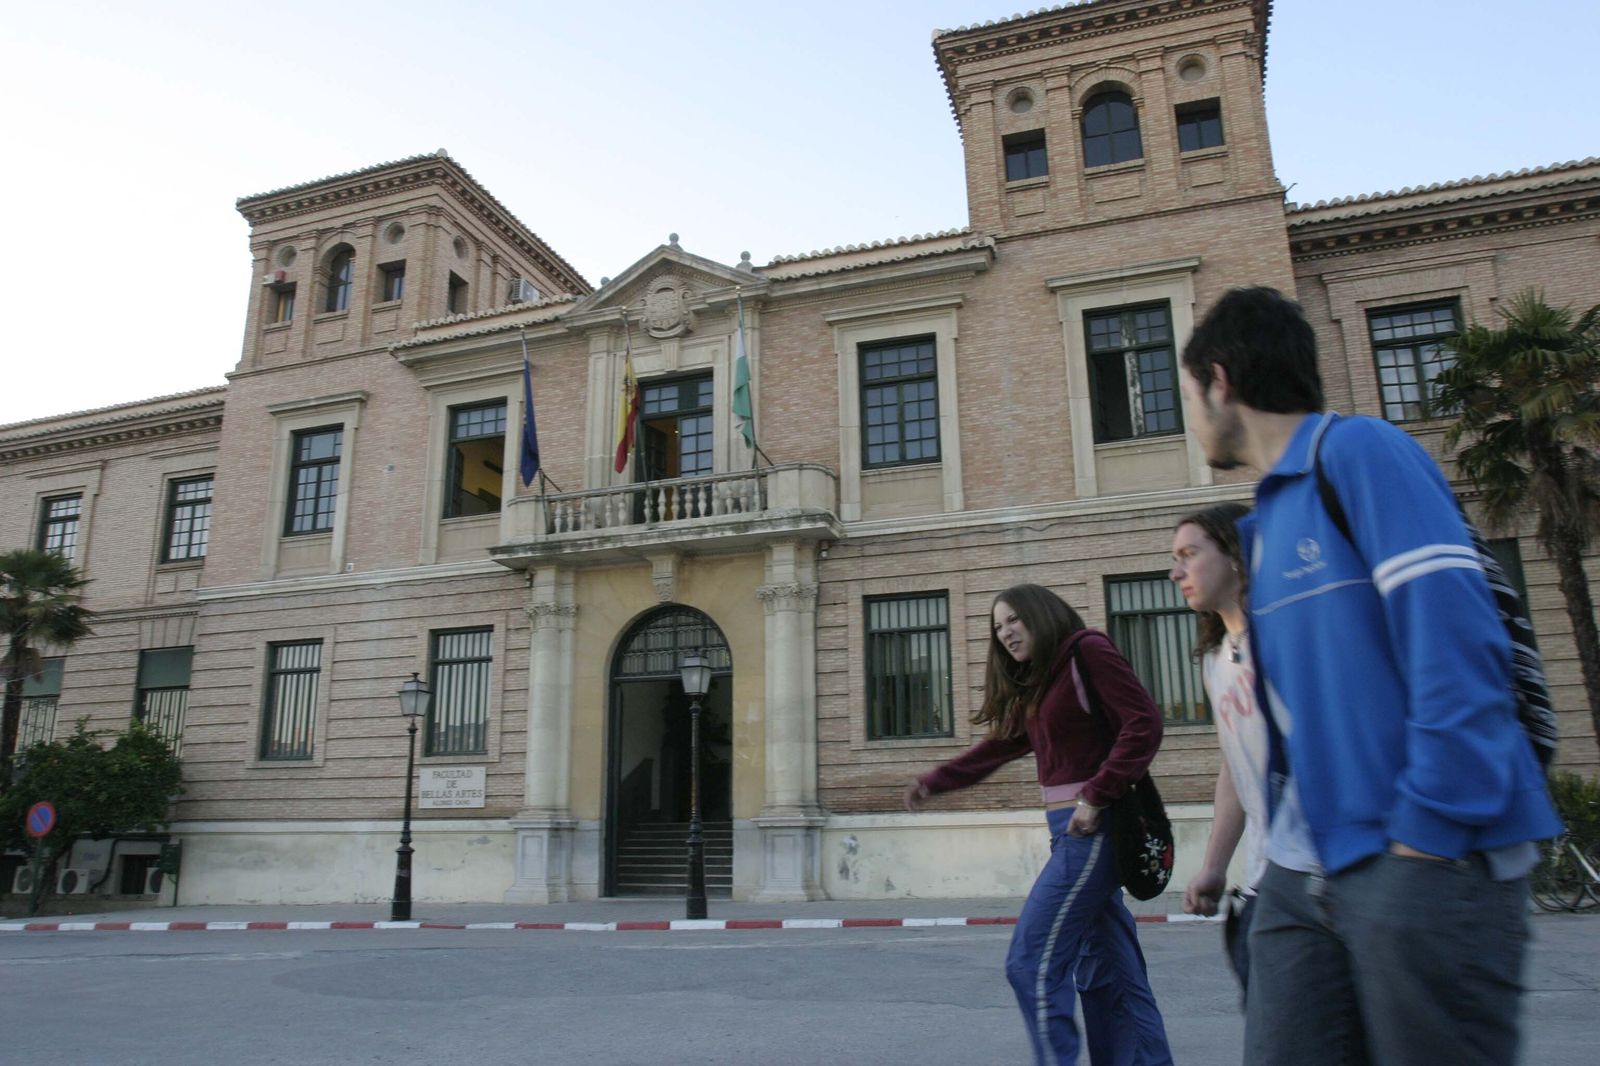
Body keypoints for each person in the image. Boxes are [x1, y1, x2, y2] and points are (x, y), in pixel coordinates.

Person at [1178, 286, 1562, 1066]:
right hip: (1308, 866)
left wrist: (1423, 839)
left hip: (1424, 859)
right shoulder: (1268, 520)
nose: (1191, 418)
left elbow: (1457, 646)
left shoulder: (1359, 454)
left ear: (1220, 382)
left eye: (1188, 395)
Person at [904, 583, 1173, 1066]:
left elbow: (1144, 722)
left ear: (1040, 614)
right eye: (997, 626)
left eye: (1014, 620)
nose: (1005, 632)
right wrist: (935, 781)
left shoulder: (1086, 651)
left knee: (1030, 961)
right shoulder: (1041, 681)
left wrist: (1097, 793)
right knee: (1110, 971)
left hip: (1092, 829)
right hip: (1069, 832)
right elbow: (1001, 746)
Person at [1170, 501, 1269, 994]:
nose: (1175, 572)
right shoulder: (1215, 661)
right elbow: (1235, 767)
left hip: (1325, 881)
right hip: (1262, 883)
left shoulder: (1284, 639)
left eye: (1189, 554)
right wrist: (1213, 866)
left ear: (1235, 554)